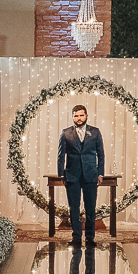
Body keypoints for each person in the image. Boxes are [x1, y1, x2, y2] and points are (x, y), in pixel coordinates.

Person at [57, 104, 105, 246]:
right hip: (72, 175)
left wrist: (100, 173)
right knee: (74, 208)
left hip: (91, 175)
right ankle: (76, 237)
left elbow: (101, 154)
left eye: (81, 115)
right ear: (72, 117)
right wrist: (61, 175)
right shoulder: (65, 133)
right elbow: (61, 156)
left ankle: (90, 237)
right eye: (76, 115)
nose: (78, 118)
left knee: (90, 208)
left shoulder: (95, 132)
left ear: (86, 116)